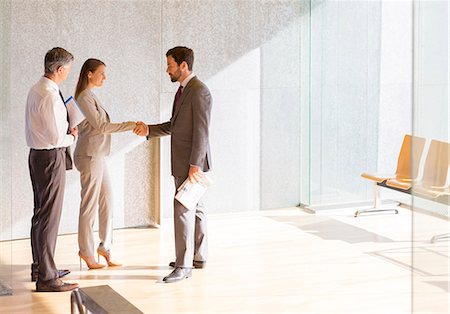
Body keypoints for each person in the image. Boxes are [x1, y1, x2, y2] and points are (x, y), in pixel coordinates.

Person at [134, 46, 212, 283]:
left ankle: (183, 265)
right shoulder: (183, 91)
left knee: (182, 211)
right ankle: (198, 257)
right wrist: (149, 130)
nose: (167, 70)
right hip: (186, 161)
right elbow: (174, 125)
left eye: (170, 65)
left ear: (183, 65)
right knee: (195, 208)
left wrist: (195, 165)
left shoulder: (199, 92)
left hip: (190, 163)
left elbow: (202, 132)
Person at [25, 47, 79, 292]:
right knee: (49, 217)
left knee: (40, 213)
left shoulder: (37, 89)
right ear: (59, 69)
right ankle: (47, 277)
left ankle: (41, 266)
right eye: (67, 69)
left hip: (37, 156)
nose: (68, 73)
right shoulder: (49, 94)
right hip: (50, 158)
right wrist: (73, 135)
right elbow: (57, 137)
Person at [74, 58, 136, 269]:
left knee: (107, 199)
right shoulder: (83, 97)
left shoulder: (91, 96)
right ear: (89, 74)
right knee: (89, 204)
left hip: (98, 155)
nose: (104, 77)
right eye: (101, 73)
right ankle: (86, 252)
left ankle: (104, 246)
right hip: (90, 156)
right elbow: (101, 126)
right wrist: (130, 125)